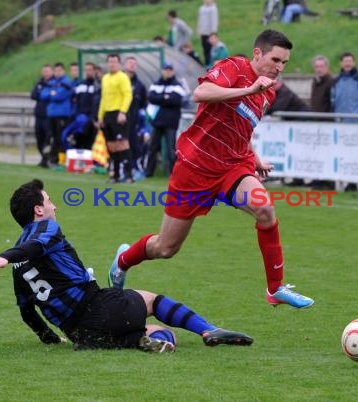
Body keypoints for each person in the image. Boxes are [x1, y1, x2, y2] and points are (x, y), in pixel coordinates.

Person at [108, 29, 314, 310]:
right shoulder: (235, 67)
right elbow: (200, 93)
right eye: (276, 60)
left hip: (232, 167)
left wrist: (254, 158)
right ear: (258, 53)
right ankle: (123, 260)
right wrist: (249, 89)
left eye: (284, 63)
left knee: (265, 209)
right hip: (195, 168)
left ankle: (275, 288)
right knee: (165, 248)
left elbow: (242, 128)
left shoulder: (267, 94)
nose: (279, 68)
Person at [0, 179, 253, 352]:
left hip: (79, 335)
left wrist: (52, 340)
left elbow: (27, 311)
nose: (54, 206)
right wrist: (5, 255)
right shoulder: (46, 229)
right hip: (95, 306)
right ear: (38, 210)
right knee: (152, 301)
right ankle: (208, 329)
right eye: (49, 201)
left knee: (151, 332)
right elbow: (36, 246)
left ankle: (149, 341)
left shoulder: (17, 264)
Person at [145, 62, 187, 177]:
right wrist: (166, 97)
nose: (167, 72)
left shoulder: (177, 85)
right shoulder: (155, 84)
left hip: (171, 122)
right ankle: (148, 172)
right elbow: (151, 98)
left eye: (170, 70)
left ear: (172, 71)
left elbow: (175, 100)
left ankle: (172, 174)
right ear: (162, 70)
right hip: (157, 122)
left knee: (171, 149)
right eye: (166, 69)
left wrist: (160, 98)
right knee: (152, 148)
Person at [98, 54, 134, 183]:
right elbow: (103, 98)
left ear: (119, 64)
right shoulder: (105, 78)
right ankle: (116, 175)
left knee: (123, 145)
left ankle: (129, 175)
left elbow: (128, 95)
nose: (112, 64)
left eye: (114, 62)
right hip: (108, 115)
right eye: (110, 62)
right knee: (112, 146)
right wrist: (100, 116)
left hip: (118, 114)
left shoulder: (123, 77)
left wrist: (123, 112)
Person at [41, 62, 73, 167]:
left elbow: (61, 96)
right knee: (52, 138)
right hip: (51, 114)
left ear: (63, 71)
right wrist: (52, 93)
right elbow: (43, 95)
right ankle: (52, 159)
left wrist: (52, 94)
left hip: (62, 114)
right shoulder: (52, 82)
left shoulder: (67, 82)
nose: (58, 72)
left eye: (60, 70)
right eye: (56, 70)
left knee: (61, 137)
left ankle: (61, 159)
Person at [330, 51, 358, 119]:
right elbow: (332, 99)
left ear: (354, 63)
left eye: (350, 61)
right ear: (341, 63)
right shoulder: (336, 81)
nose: (348, 64)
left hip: (357, 121)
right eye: (345, 61)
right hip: (340, 122)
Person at [124, 56, 148, 179]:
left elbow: (144, 106)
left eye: (134, 63)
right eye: (130, 63)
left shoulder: (140, 85)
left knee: (135, 146)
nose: (132, 65)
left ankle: (136, 169)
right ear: (125, 65)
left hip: (134, 122)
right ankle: (121, 169)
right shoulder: (119, 81)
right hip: (120, 121)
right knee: (120, 146)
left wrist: (144, 127)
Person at [30, 64, 53, 168]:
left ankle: (47, 159)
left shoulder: (54, 83)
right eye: (44, 71)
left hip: (48, 116)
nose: (46, 73)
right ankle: (43, 158)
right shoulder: (39, 83)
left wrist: (44, 96)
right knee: (39, 138)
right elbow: (33, 95)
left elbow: (52, 97)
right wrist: (44, 96)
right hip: (39, 115)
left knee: (47, 138)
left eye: (47, 71)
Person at [197, 0, 219, 66]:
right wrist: (200, 32)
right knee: (205, 51)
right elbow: (200, 21)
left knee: (210, 51)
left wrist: (213, 33)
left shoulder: (213, 9)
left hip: (210, 34)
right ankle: (207, 65)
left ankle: (211, 65)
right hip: (203, 33)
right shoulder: (202, 8)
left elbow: (214, 21)